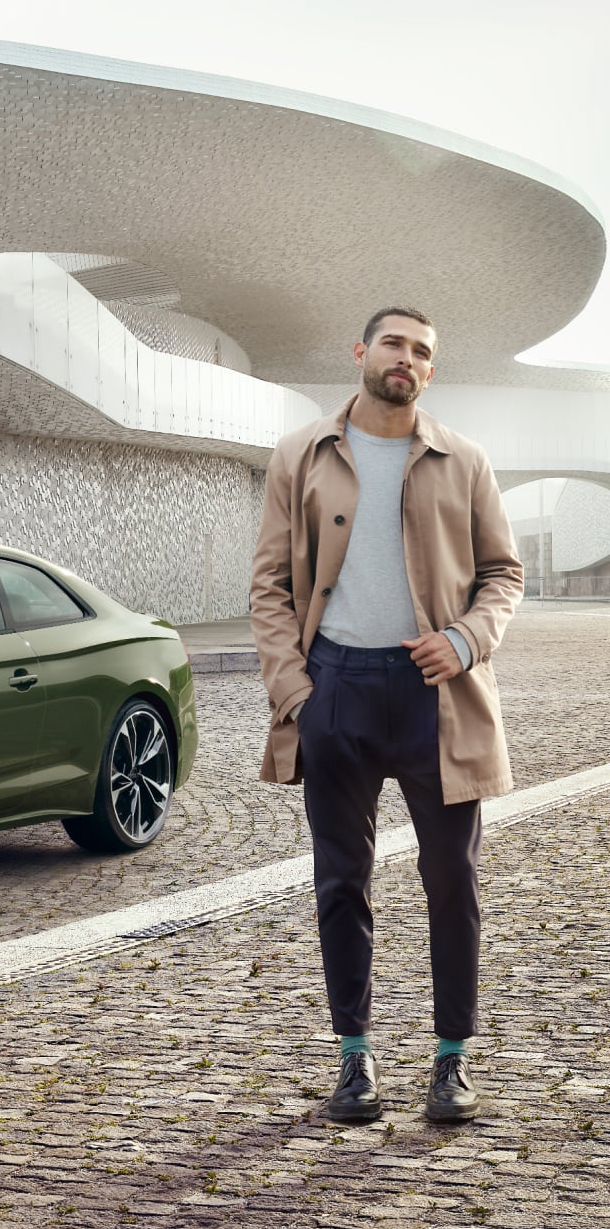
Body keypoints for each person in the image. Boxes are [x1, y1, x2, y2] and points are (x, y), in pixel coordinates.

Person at [249, 306, 523, 1124]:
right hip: (334, 689)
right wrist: (299, 692)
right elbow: (268, 587)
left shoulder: (463, 459)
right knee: (342, 882)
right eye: (395, 343)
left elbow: (504, 573)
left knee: (453, 880)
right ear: (362, 351)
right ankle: (354, 1059)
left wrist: (466, 640)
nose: (407, 359)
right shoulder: (300, 453)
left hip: (435, 695)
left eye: (423, 352)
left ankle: (452, 1061)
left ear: (430, 373)